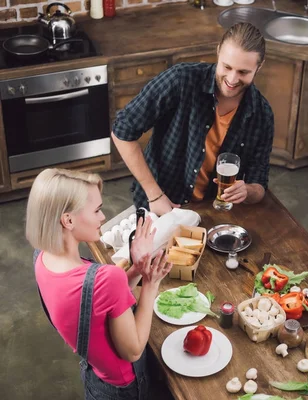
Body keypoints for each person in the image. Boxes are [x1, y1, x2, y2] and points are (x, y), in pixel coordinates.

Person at [26, 168, 172, 400]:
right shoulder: (106, 277)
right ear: (68, 220)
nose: (103, 217)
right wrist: (150, 284)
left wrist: (135, 270)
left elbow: (97, 301)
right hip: (125, 389)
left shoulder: (42, 258)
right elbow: (133, 350)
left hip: (95, 381)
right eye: (97, 210)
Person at [112, 22, 274, 214]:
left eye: (243, 72)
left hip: (211, 212)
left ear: (259, 66)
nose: (232, 79)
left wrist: (247, 191)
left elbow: (259, 184)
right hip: (160, 201)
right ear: (218, 52)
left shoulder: (262, 114)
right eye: (227, 66)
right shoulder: (180, 80)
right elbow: (122, 130)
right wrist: (154, 194)